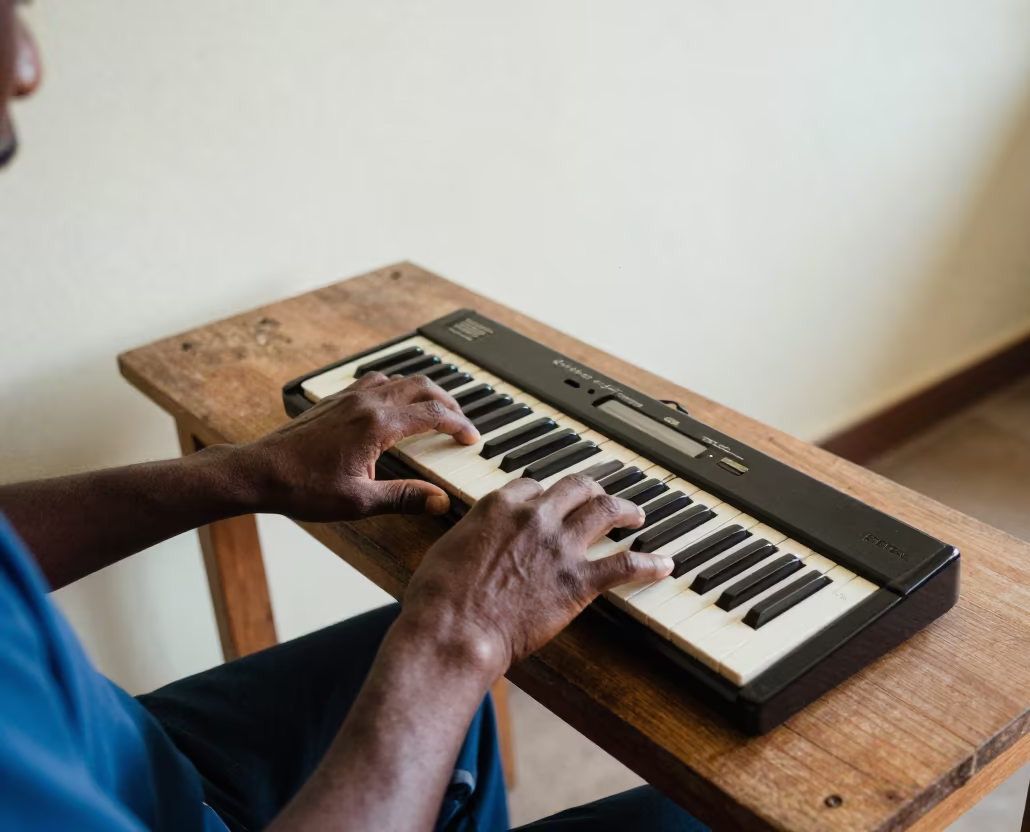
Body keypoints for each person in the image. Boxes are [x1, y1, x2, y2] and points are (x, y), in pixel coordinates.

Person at [0, 5, 706, 830]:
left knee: (428, 698)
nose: (25, 64)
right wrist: (458, 634)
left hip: (118, 753)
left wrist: (243, 470)